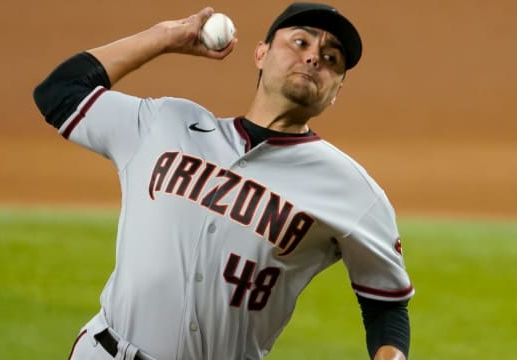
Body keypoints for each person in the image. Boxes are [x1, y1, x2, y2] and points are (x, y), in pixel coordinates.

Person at [33, 3, 414, 360]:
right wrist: (165, 36)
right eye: (300, 42)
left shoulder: (353, 191)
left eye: (331, 59)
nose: (314, 57)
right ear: (261, 54)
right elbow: (59, 93)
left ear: (336, 93)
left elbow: (387, 305)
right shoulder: (164, 123)